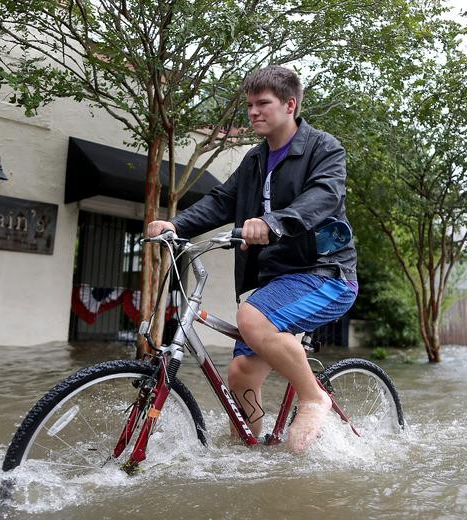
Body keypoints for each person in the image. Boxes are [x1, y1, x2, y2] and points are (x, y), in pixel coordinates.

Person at [147, 65, 358, 453]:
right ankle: (251, 452)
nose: (253, 112)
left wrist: (273, 222)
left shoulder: (323, 148)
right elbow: (220, 202)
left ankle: (313, 397)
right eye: (249, 105)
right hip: (277, 282)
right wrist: (175, 224)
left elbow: (323, 197)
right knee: (241, 371)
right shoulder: (253, 160)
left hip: (326, 275)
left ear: (290, 105)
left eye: (263, 104)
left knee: (251, 317)